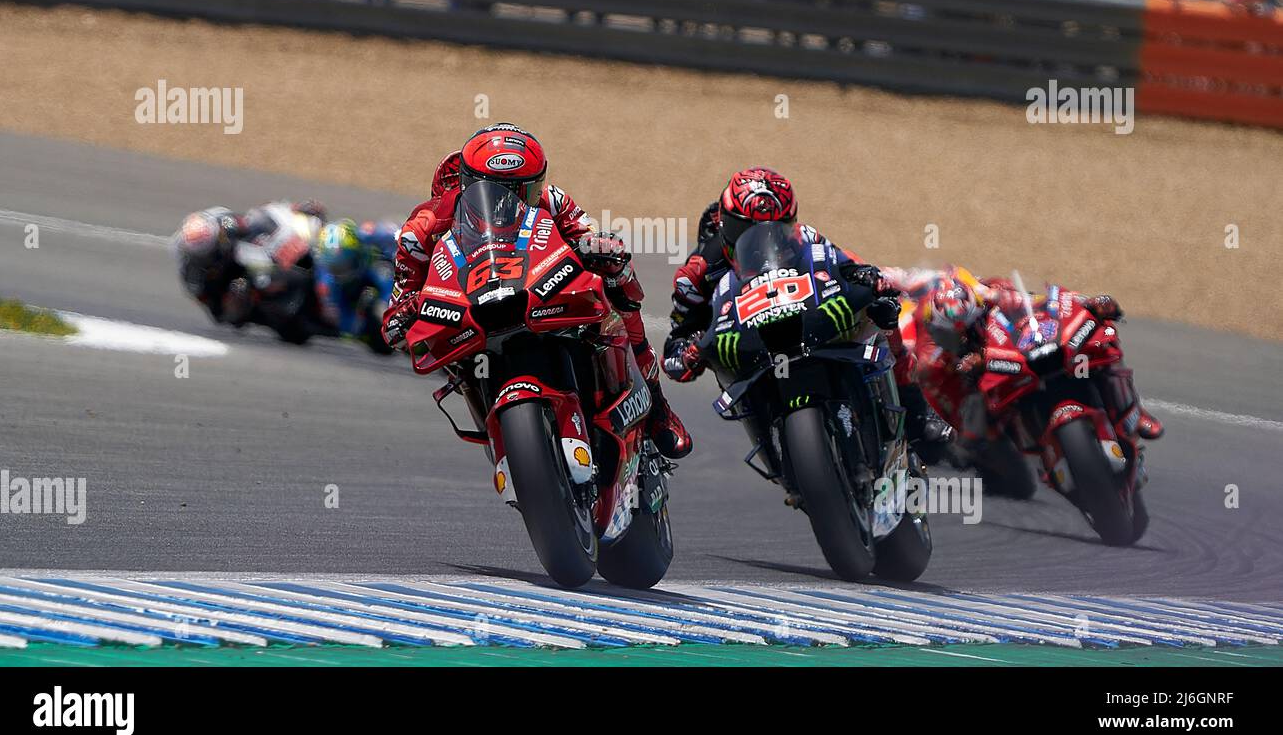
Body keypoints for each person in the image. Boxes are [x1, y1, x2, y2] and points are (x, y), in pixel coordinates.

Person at [383, 125, 694, 460]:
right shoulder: (422, 229)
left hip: (539, 297)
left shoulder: (553, 201)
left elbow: (591, 235)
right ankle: (504, 435)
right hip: (471, 319)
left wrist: (603, 249)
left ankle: (657, 405)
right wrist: (405, 313)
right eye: (495, 191)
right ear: (466, 185)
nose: (508, 201)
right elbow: (396, 312)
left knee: (618, 286)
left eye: (523, 191)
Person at [661, 167, 951, 463]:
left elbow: (849, 265)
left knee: (882, 313)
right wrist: (688, 351)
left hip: (806, 327)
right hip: (749, 350)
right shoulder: (697, 274)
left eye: (777, 229)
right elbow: (676, 341)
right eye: (745, 231)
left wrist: (870, 280)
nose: (765, 242)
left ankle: (916, 410)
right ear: (724, 224)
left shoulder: (805, 238)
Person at [912, 276, 1164, 454]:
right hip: (1005, 404)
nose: (962, 338)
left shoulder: (997, 300)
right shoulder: (941, 364)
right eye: (950, 335)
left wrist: (1088, 303)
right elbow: (962, 418)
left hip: (1028, 362)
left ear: (978, 310)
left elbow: (1044, 302)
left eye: (965, 329)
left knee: (1098, 344)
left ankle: (1134, 412)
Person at [175, 200, 326, 325]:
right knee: (256, 291)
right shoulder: (193, 274)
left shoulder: (223, 223)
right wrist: (234, 302)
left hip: (251, 256)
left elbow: (256, 218)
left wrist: (293, 210)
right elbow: (218, 312)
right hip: (236, 290)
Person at [313, 218, 398, 339]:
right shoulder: (325, 274)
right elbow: (331, 308)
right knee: (345, 325)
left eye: (345, 261)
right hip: (349, 286)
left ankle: (391, 307)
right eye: (334, 266)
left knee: (383, 273)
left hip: (371, 267)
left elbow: (398, 231)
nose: (341, 268)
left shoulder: (369, 235)